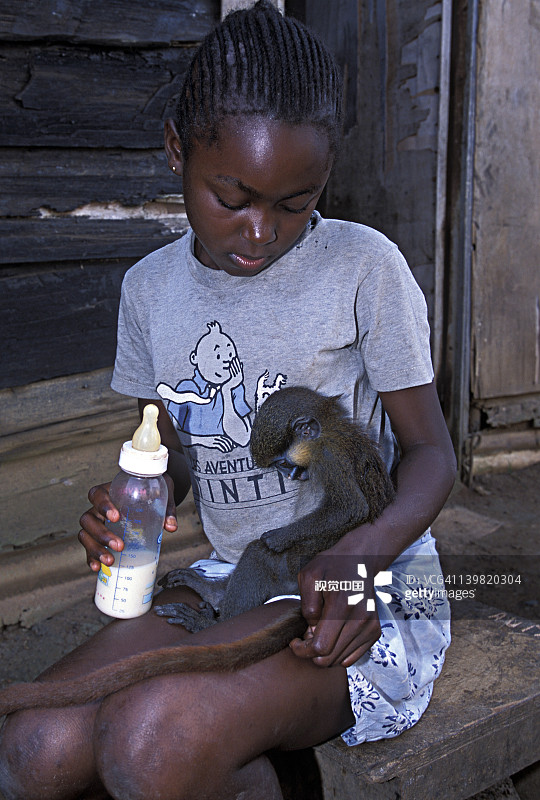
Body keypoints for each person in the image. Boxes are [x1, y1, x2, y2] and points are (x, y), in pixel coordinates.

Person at [0, 3, 456, 799]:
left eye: (294, 201)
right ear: (178, 148)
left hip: (358, 594)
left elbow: (432, 455)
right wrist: (133, 502)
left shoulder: (362, 268)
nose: (261, 232)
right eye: (233, 196)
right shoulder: (149, 290)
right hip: (228, 579)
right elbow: (169, 446)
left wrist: (364, 553)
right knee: (34, 748)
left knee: (148, 742)